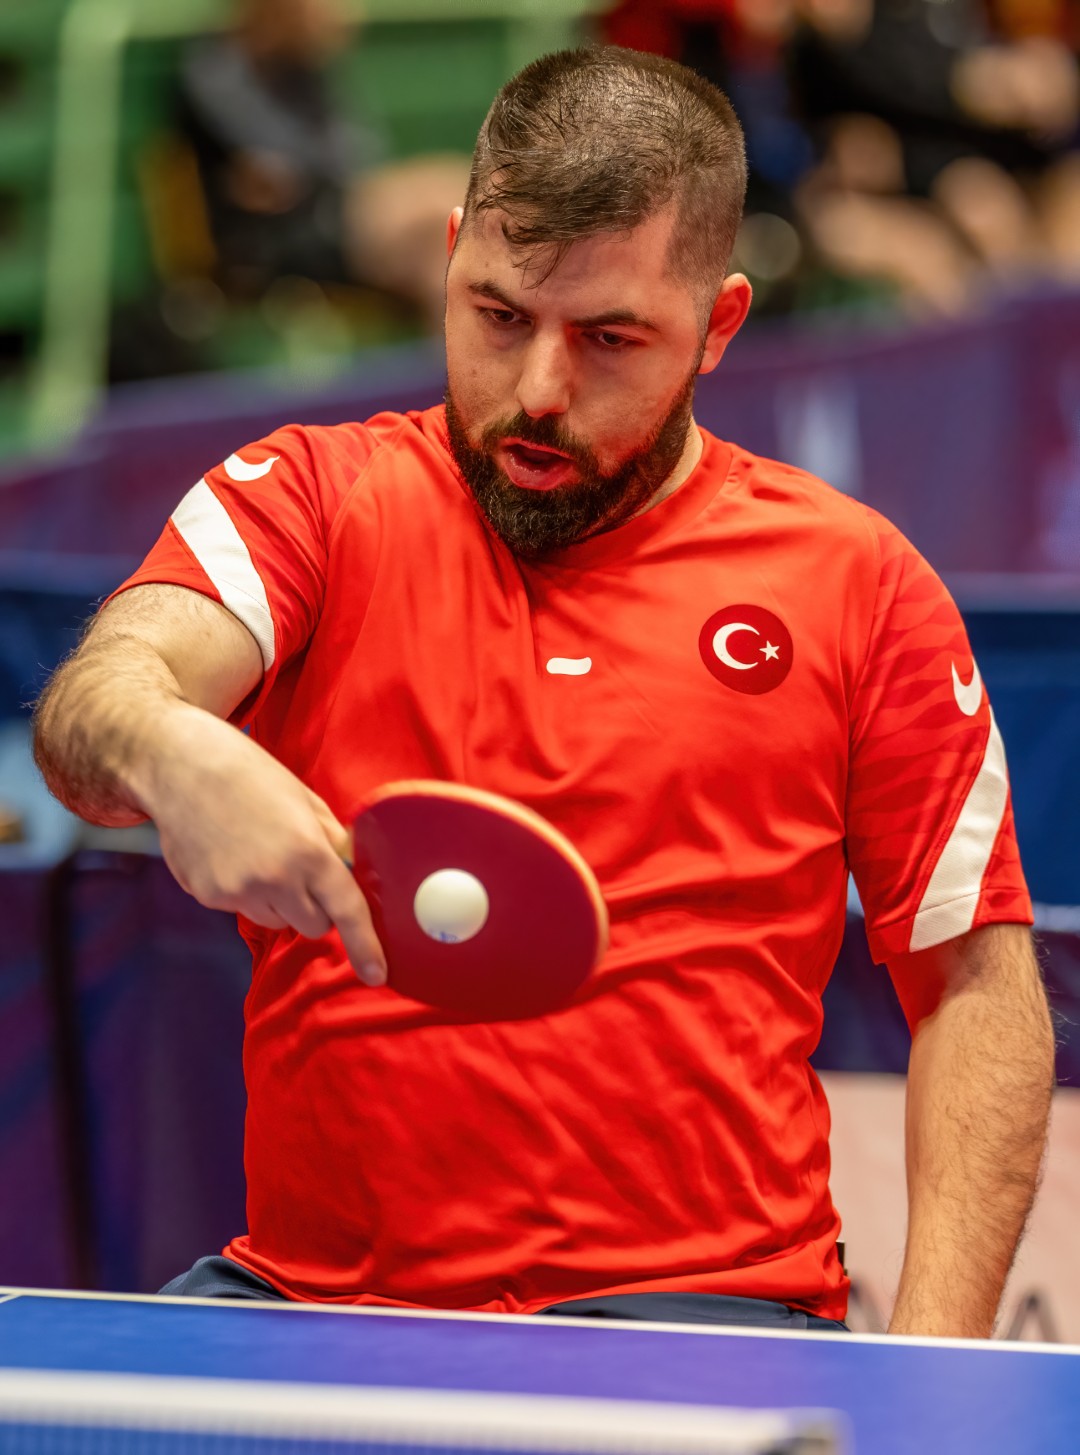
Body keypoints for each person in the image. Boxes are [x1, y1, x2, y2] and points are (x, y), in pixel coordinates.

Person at [33, 46, 1053, 1336]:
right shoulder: (311, 498)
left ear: (720, 325)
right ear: (452, 257)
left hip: (706, 1314)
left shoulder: (859, 582)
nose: (537, 392)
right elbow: (102, 698)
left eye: (611, 338)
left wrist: (936, 1371)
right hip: (319, 1301)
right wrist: (170, 747)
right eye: (499, 314)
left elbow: (974, 984)